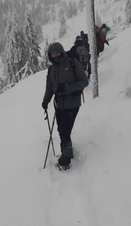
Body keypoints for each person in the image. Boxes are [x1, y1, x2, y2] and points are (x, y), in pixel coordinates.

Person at [42, 42, 89, 170]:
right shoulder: (51, 69)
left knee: (65, 132)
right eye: (52, 53)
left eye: (57, 52)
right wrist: (45, 101)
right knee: (62, 130)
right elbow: (50, 88)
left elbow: (84, 81)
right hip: (59, 105)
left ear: (61, 52)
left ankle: (65, 160)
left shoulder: (72, 63)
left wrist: (67, 88)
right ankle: (68, 151)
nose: (55, 55)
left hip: (73, 104)